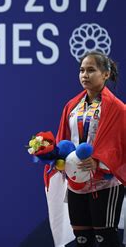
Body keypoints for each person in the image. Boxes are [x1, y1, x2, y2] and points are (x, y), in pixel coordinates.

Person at [50, 51, 125, 247]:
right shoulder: (72, 106)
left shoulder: (118, 109)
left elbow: (122, 146)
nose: (85, 75)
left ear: (106, 74)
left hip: (106, 183)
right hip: (77, 182)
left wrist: (100, 162)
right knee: (82, 240)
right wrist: (56, 158)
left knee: (106, 239)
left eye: (91, 70)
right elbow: (63, 140)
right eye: (82, 70)